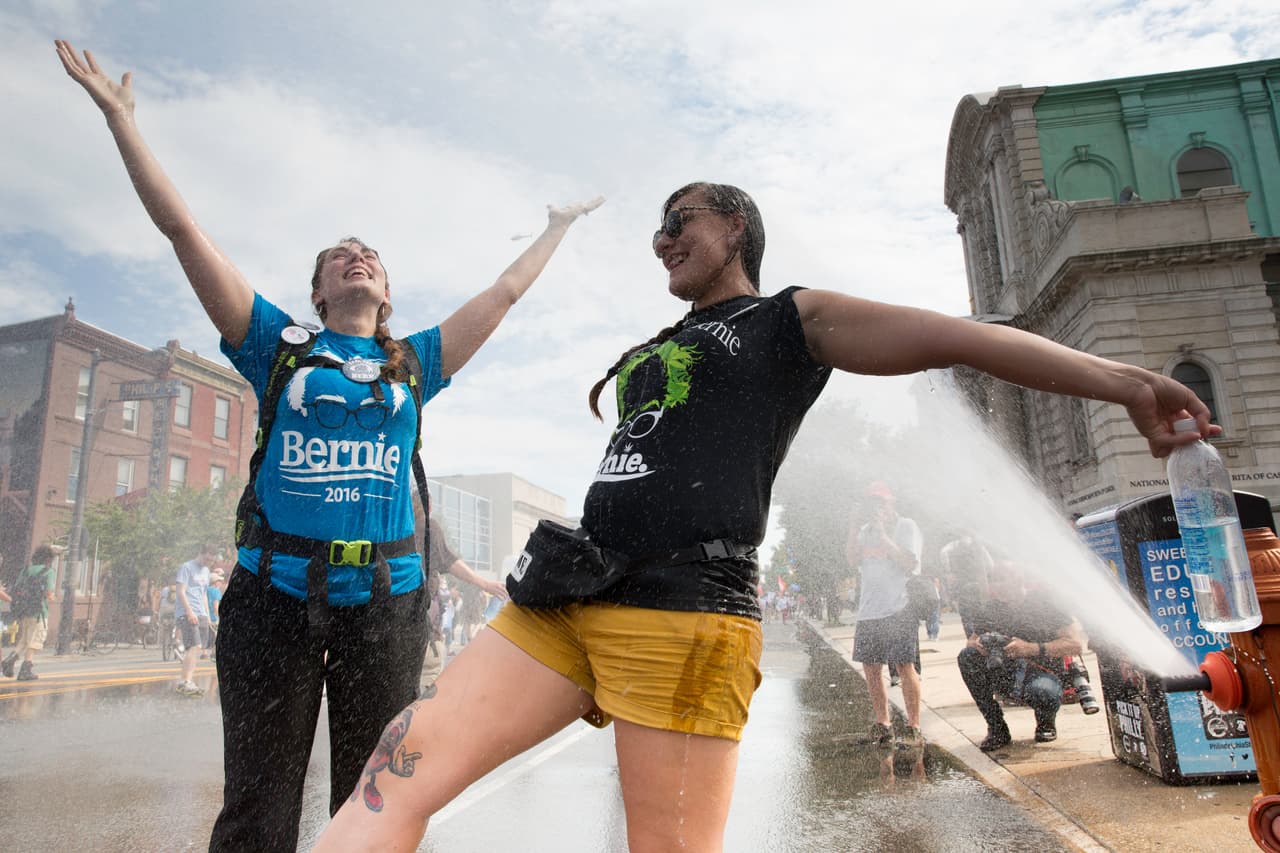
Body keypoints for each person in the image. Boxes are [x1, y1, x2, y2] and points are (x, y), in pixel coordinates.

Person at [315, 180, 1218, 852]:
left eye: (681, 220)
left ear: (736, 227)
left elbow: (956, 335)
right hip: (568, 590)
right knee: (399, 769)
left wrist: (1124, 382)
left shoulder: (788, 319)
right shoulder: (667, 338)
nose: (662, 238)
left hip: (684, 609)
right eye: (657, 228)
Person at [55, 40, 600, 852]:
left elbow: (506, 291)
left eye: (370, 255)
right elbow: (181, 229)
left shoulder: (413, 361)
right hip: (271, 602)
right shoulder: (274, 345)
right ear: (318, 292)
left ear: (387, 294)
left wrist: (557, 224)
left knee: (370, 807)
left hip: (384, 606)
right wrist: (121, 120)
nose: (358, 257)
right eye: (340, 257)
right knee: (257, 812)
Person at [957, 559, 1085, 750]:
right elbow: (971, 641)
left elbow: (1075, 645)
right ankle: (996, 727)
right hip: (1005, 671)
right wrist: (978, 645)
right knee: (967, 656)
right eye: (993, 580)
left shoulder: (1045, 604)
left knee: (1043, 691)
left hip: (1042, 673)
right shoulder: (990, 609)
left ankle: (1045, 723)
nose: (997, 585)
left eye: (1003, 579)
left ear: (1019, 579)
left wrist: (1031, 648)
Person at [847, 482, 925, 746]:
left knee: (904, 665)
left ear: (891, 503)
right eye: (871, 503)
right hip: (869, 610)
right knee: (871, 668)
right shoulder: (863, 531)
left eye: (880, 503)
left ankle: (914, 726)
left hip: (899, 607)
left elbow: (910, 564)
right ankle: (883, 724)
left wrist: (883, 536)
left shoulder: (905, 526)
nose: (876, 509)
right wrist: (854, 527)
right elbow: (852, 560)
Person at [1, 546, 58, 681]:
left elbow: (17, 588)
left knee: (25, 639)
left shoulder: (26, 570)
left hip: (24, 609)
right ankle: (25, 670)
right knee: (36, 639)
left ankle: (9, 660)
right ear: (48, 559)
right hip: (39, 611)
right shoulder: (48, 572)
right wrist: (52, 598)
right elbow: (49, 593)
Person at [174, 543, 216, 695]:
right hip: (187, 613)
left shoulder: (206, 571)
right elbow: (180, 591)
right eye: (207, 559)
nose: (208, 562)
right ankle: (185, 681)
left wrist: (207, 616)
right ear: (201, 553)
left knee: (198, 648)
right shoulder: (186, 567)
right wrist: (189, 611)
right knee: (195, 646)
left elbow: (203, 594)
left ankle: (187, 681)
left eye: (211, 561)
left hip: (201, 613)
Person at [939, 530, 994, 637]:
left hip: (962, 584)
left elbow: (943, 554)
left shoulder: (952, 546)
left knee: (966, 615)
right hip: (978, 583)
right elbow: (990, 565)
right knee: (980, 612)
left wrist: (948, 570)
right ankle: (983, 637)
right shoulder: (979, 547)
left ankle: (971, 637)